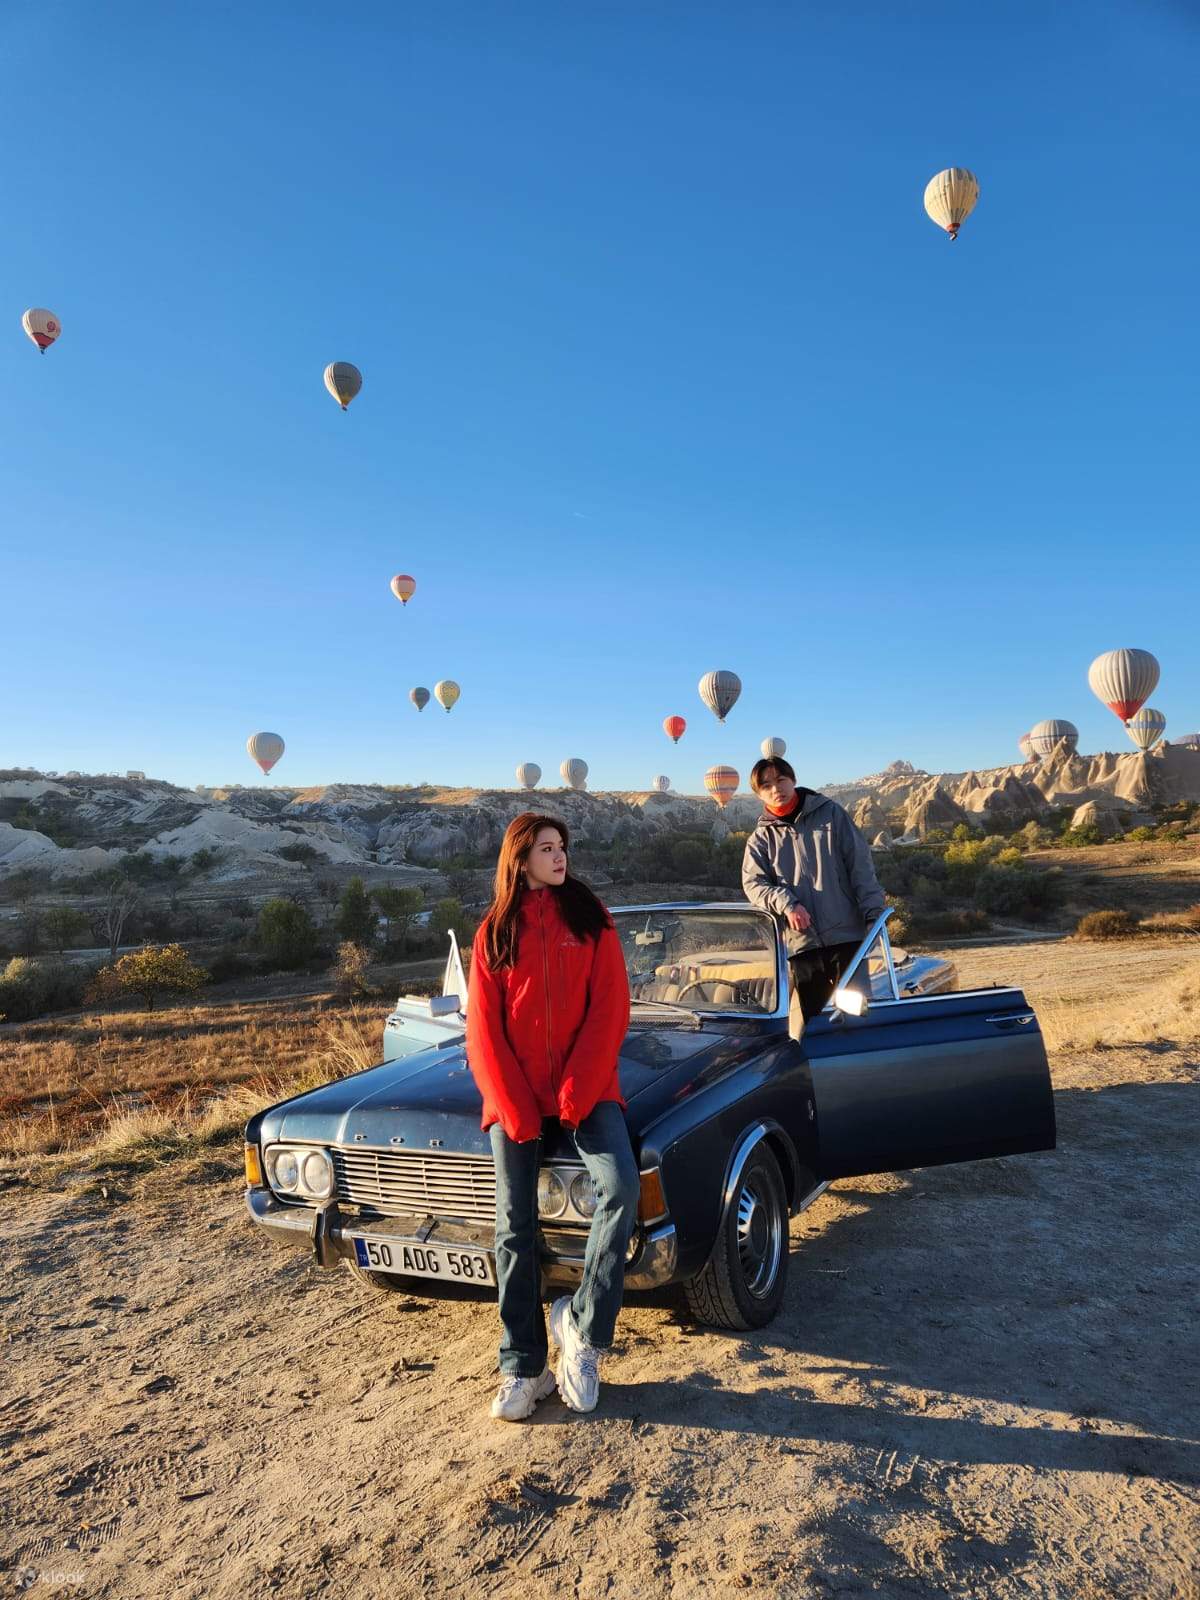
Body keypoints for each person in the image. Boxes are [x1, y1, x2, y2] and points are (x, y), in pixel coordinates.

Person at [466, 812, 638, 1423]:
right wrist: (514, 1105)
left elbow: (610, 1009)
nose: (559, 856)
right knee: (513, 1226)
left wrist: (576, 1091)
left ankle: (584, 1336)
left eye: (562, 846)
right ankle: (524, 1365)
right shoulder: (493, 933)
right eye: (546, 848)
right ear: (521, 859)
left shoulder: (591, 921)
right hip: (515, 1099)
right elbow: (483, 1032)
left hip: (588, 1091)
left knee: (621, 1189)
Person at [741, 757, 886, 1032]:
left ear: (793, 780)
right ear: (758, 792)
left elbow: (861, 867)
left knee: (858, 1016)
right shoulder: (760, 840)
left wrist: (874, 916)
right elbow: (753, 884)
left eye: (781, 780)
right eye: (766, 785)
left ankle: (864, 1073)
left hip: (847, 937)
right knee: (815, 1025)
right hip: (802, 945)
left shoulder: (831, 814)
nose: (776, 789)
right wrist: (787, 903)